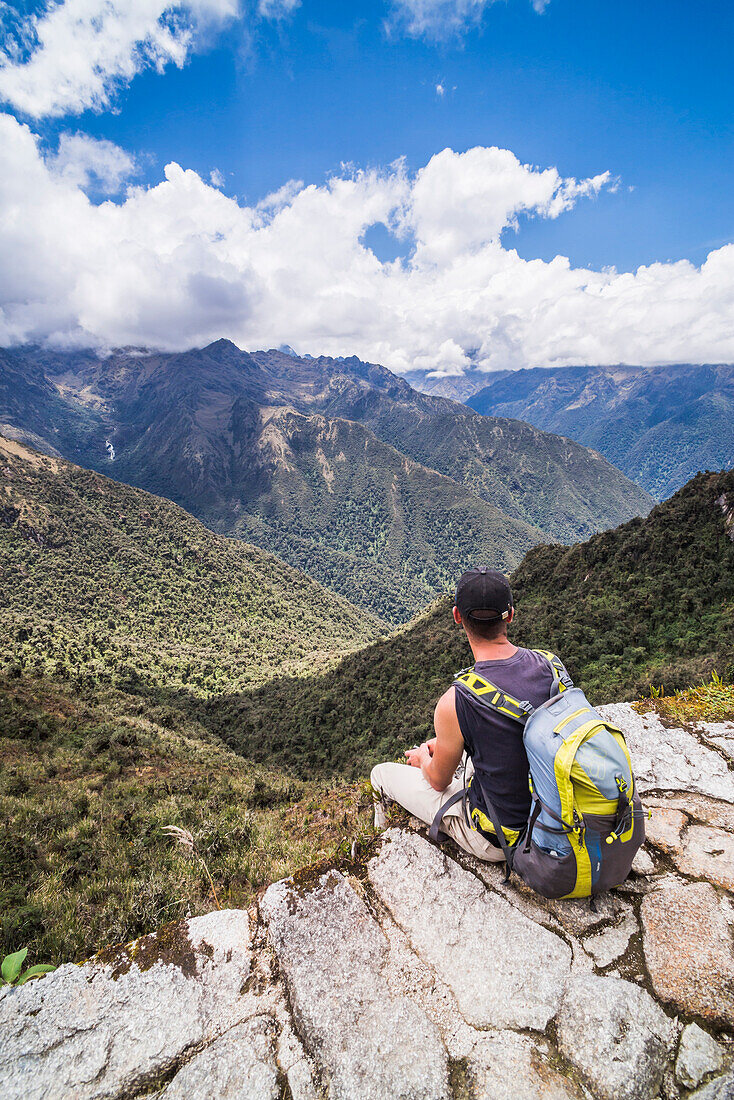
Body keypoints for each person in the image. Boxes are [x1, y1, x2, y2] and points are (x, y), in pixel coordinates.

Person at [370, 566, 564, 861]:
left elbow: (439, 781)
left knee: (380, 774)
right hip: (564, 818)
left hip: (501, 839)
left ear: (457, 616)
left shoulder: (456, 700)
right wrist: (452, 744)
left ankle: (380, 851)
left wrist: (424, 758)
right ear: (510, 614)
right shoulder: (551, 665)